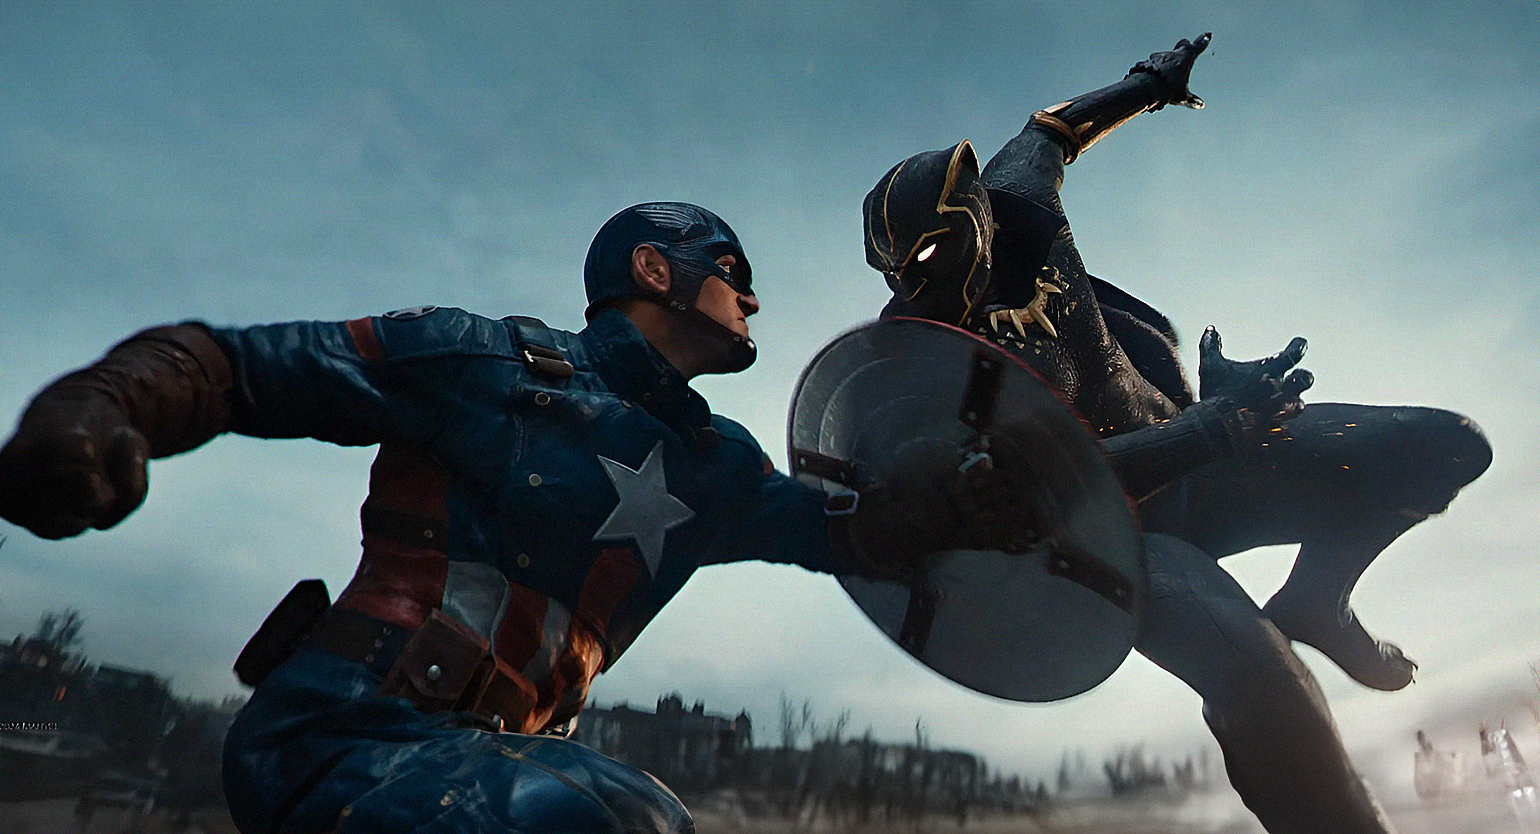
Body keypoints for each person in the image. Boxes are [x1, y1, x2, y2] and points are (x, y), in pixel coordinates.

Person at [0, 202, 1017, 833]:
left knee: (612, 811)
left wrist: (962, 500)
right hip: (339, 738)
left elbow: (847, 532)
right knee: (613, 820)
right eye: (730, 270)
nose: (751, 297)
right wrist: (95, 407)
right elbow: (239, 367)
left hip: (503, 763)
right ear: (655, 271)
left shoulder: (717, 469)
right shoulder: (487, 363)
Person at [862, 34, 1490, 834]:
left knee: (1445, 447)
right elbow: (1035, 488)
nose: (923, 283)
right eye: (902, 271)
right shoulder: (924, 369)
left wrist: (1152, 81)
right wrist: (1213, 428)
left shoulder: (1019, 197)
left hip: (1209, 456)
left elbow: (1051, 130)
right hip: (1127, 543)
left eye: (934, 252)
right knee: (1265, 684)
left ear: (978, 215)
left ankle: (1316, 601)